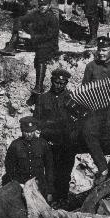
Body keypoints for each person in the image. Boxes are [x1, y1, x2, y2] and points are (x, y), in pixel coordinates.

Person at [79, 36, 110, 184]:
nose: (101, 53)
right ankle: (102, 167)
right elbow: (85, 88)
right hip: (97, 109)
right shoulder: (91, 67)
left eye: (104, 50)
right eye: (99, 50)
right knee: (87, 131)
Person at [0, 0, 59, 97]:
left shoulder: (52, 18)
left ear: (49, 6)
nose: (42, 7)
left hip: (49, 44)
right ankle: (11, 45)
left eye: (44, 5)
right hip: (36, 41)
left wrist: (30, 36)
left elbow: (49, 36)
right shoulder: (37, 13)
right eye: (40, 5)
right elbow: (22, 19)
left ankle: (39, 86)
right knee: (19, 20)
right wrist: (20, 26)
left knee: (40, 56)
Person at [32, 69, 75, 204]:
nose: (59, 86)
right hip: (49, 143)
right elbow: (37, 120)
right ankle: (48, 200)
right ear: (52, 81)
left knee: (64, 174)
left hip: (66, 143)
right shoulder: (43, 98)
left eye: (63, 83)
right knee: (50, 173)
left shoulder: (71, 97)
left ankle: (62, 200)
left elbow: (75, 119)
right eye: (56, 82)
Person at [4, 116, 55, 200]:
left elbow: (49, 168)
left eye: (32, 131)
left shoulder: (43, 144)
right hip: (21, 187)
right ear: (21, 130)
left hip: (39, 187)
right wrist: (16, 185)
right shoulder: (15, 145)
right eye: (26, 131)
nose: (29, 134)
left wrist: (49, 191)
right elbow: (9, 167)